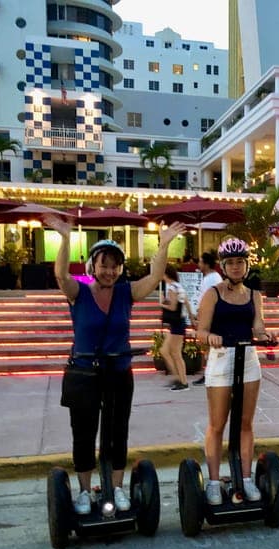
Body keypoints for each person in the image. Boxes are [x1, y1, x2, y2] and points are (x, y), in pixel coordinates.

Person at [44, 212, 185, 515]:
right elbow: (60, 275)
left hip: (119, 372)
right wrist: (65, 238)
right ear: (92, 266)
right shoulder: (78, 293)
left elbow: (154, 276)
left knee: (117, 431)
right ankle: (84, 491)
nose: (109, 271)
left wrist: (162, 245)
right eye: (104, 265)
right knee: (83, 432)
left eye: (115, 266)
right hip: (84, 374)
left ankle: (117, 487)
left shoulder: (126, 293)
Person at [195, 237, 275, 506]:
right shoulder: (213, 294)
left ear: (247, 264)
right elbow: (200, 331)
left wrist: (266, 336)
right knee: (217, 424)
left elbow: (258, 327)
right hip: (221, 359)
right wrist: (210, 337)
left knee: (245, 423)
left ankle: (246, 478)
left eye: (241, 262)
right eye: (231, 263)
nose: (237, 267)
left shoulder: (254, 295)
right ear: (223, 266)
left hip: (248, 359)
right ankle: (215, 482)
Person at [160, 264, 195, 391]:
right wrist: (191, 318)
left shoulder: (171, 288)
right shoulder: (177, 286)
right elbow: (186, 302)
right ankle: (177, 378)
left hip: (177, 323)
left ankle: (182, 381)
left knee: (175, 353)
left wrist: (162, 303)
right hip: (179, 322)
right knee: (165, 351)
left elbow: (173, 307)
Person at [192, 251, 224, 386]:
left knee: (209, 347)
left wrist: (200, 317)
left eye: (200, 262)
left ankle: (210, 373)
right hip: (208, 317)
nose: (198, 264)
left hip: (211, 318)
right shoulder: (211, 277)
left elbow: (208, 300)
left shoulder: (213, 278)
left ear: (206, 263)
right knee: (207, 347)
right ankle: (208, 372)